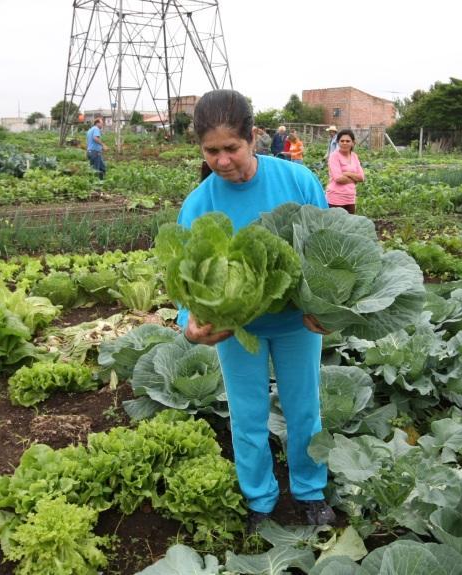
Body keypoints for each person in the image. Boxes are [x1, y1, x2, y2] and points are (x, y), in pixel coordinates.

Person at [175, 89, 336, 532]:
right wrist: (189, 324)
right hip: (234, 327)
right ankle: (259, 498)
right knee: (246, 415)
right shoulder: (199, 204)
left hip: (295, 323)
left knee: (304, 409)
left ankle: (309, 491)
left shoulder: (299, 181)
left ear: (254, 138)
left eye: (232, 148)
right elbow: (183, 279)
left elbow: (323, 253)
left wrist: (325, 307)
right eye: (211, 151)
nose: (222, 160)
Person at [325, 128, 364, 214]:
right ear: (338, 142)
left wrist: (347, 173)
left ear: (353, 143)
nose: (344, 143)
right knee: (336, 225)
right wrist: (354, 178)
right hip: (335, 197)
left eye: (347, 141)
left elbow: (361, 177)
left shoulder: (354, 156)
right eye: (342, 141)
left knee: (349, 225)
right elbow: (339, 179)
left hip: (350, 197)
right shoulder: (334, 156)